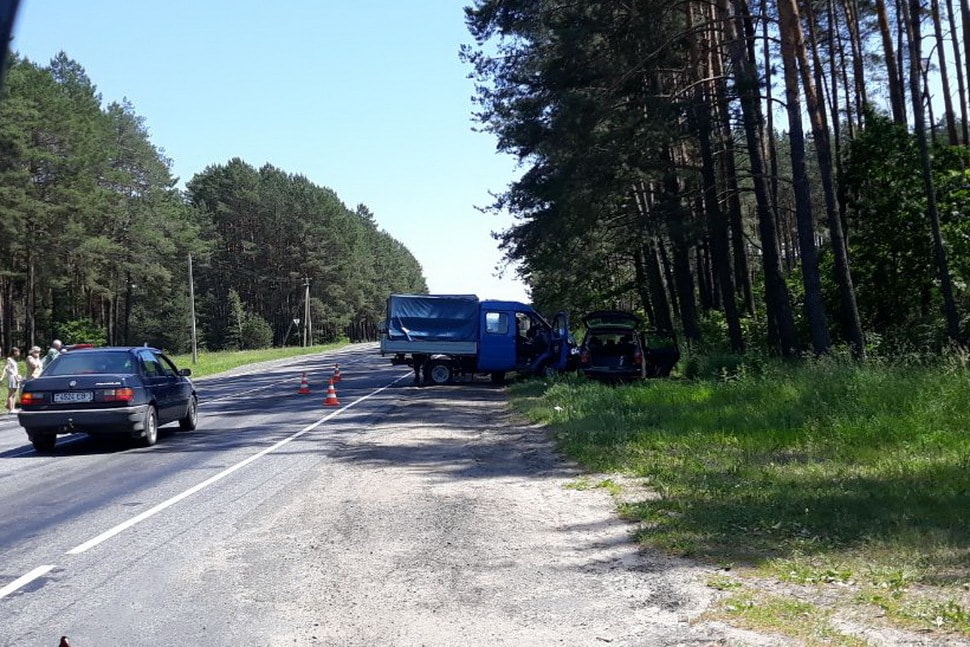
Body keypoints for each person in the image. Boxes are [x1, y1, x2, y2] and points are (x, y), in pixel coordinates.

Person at [4, 347, 22, 413]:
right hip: (12, 377)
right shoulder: (9, 359)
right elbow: (7, 369)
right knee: (11, 394)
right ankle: (10, 409)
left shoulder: (14, 360)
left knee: (14, 393)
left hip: (16, 377)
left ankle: (13, 408)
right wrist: (14, 375)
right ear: (14, 352)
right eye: (18, 352)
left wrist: (17, 375)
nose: (19, 353)